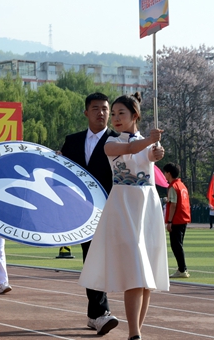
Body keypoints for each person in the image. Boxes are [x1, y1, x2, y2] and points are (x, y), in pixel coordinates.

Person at [78, 93, 168, 340]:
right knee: (136, 271)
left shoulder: (148, 145)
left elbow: (150, 156)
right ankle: (134, 334)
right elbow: (129, 148)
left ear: (134, 115)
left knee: (146, 277)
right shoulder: (110, 143)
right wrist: (150, 141)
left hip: (147, 209)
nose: (115, 118)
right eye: (114, 114)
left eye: (121, 113)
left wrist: (156, 151)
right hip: (123, 208)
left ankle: (136, 332)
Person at [60, 92, 119, 335]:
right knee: (93, 259)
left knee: (98, 260)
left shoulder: (117, 142)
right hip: (79, 213)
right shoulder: (72, 142)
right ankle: (99, 313)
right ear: (86, 112)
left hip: (109, 211)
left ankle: (96, 313)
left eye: (105, 109)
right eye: (96, 108)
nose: (101, 113)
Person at [163, 163, 191, 279]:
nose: (164, 175)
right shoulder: (181, 185)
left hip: (176, 219)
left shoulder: (173, 186)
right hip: (183, 218)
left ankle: (182, 269)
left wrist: (169, 221)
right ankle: (182, 268)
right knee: (178, 245)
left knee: (176, 246)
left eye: (165, 172)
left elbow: (173, 204)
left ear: (169, 173)